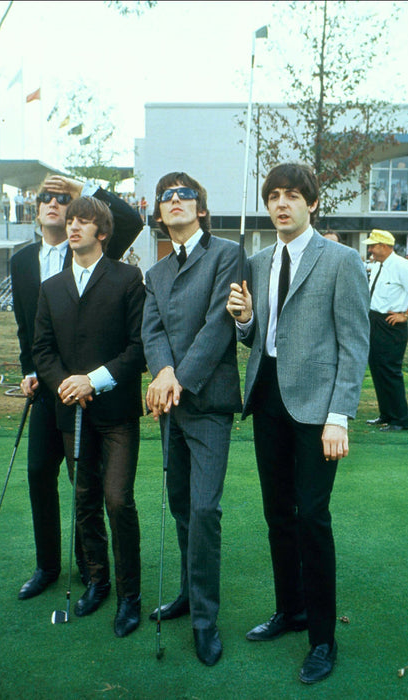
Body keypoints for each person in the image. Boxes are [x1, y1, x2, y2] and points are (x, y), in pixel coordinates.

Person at [227, 162, 370, 685]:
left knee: (312, 518)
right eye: (273, 196)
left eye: (291, 195)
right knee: (277, 515)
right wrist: (243, 320)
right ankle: (291, 612)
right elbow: (256, 338)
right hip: (266, 399)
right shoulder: (259, 261)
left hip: (317, 411)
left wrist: (339, 417)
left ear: (312, 202)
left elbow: (355, 343)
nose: (281, 204)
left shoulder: (342, 260)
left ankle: (323, 639)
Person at [10, 175, 143, 603]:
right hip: (68, 407)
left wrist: (94, 380)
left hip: (116, 410)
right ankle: (97, 581)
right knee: (83, 498)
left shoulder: (127, 277)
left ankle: (129, 595)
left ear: (101, 232)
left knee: (117, 499)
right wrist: (62, 382)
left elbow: (138, 347)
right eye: (70, 220)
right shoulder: (50, 286)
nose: (72, 226)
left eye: (82, 221)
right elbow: (39, 346)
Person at [141, 171, 242, 667]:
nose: (175, 200)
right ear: (159, 213)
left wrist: (177, 378)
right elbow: (152, 329)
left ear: (200, 208)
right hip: (169, 406)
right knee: (181, 506)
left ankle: (205, 618)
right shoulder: (156, 272)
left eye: (185, 195)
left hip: (207, 404)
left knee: (204, 511)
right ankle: (186, 594)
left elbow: (220, 324)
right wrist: (161, 371)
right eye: (167, 196)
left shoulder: (227, 253)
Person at [362, 229, 408, 431]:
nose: (370, 249)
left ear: (384, 246)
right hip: (375, 321)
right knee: (377, 369)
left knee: (390, 371)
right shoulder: (378, 266)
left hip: (391, 324)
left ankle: (400, 419)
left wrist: (405, 315)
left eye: (373, 246)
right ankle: (386, 414)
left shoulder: (401, 265)